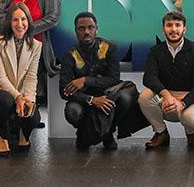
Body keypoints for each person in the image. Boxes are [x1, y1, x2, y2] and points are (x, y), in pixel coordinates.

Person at [59, 12, 138, 150]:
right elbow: (63, 91)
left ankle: (107, 132)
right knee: (72, 111)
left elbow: (114, 79)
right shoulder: (69, 55)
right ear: (76, 31)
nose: (86, 32)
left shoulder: (109, 48)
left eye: (91, 27)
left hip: (107, 96)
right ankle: (84, 133)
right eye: (81, 28)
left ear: (97, 28)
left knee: (125, 98)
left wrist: (85, 80)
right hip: (83, 100)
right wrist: (91, 100)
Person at [1, 0, 61, 109]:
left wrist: (25, 30)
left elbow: (53, 17)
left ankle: (29, 120)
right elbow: (2, 14)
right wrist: (15, 31)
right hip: (12, 47)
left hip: (38, 47)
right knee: (13, 87)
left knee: (32, 88)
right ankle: (14, 120)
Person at [140, 11, 194, 149]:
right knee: (144, 97)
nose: (173, 29)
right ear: (163, 29)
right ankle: (161, 133)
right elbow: (149, 77)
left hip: (191, 97)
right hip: (167, 97)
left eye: (178, 25)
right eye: (169, 25)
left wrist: (183, 103)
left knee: (191, 119)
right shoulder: (155, 51)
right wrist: (166, 95)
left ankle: (191, 133)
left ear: (184, 29)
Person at [0, 3, 43, 156]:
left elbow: (31, 76)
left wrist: (28, 99)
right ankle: (2, 137)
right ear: (9, 22)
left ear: (29, 21)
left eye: (23, 19)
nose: (20, 24)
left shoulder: (36, 45)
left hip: (22, 92)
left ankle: (24, 133)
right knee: (5, 100)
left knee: (34, 117)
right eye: (15, 20)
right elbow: (0, 76)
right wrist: (17, 97)